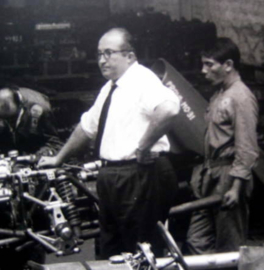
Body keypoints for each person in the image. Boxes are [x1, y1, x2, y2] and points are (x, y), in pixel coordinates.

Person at [38, 27, 180, 258]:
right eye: (99, 54)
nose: (102, 60)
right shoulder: (110, 88)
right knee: (111, 249)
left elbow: (170, 109)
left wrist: (143, 146)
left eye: (109, 53)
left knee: (142, 251)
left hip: (141, 174)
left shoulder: (141, 79)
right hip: (115, 177)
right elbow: (86, 128)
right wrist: (58, 158)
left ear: (129, 56)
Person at [186, 38, 259, 254]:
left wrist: (236, 187)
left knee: (229, 246)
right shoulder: (220, 94)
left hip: (230, 176)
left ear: (228, 65)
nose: (204, 70)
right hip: (210, 175)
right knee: (197, 241)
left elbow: (247, 148)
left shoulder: (241, 97)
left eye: (209, 64)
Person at [0, 86, 61, 156]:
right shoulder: (6, 105)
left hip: (35, 152)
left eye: (10, 120)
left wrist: (38, 155)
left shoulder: (40, 109)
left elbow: (55, 143)